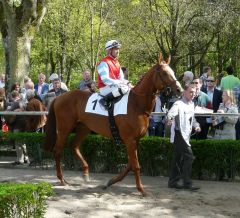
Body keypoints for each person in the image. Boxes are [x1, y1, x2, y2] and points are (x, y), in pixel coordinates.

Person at [167, 84, 201, 191]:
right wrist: (170, 118)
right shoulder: (178, 103)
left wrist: (196, 126)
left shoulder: (191, 104)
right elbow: (171, 113)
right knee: (189, 157)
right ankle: (187, 183)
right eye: (191, 92)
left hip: (186, 135)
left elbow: (193, 119)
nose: (193, 94)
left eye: (194, 92)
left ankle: (173, 182)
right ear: (184, 92)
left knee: (177, 158)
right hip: (179, 135)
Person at [97, 40, 130, 109]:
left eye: (118, 49)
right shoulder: (104, 63)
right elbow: (105, 80)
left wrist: (127, 82)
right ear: (109, 50)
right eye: (115, 49)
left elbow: (121, 78)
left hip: (115, 87)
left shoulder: (117, 62)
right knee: (125, 88)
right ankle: (104, 100)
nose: (118, 51)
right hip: (105, 88)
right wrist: (121, 82)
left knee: (131, 88)